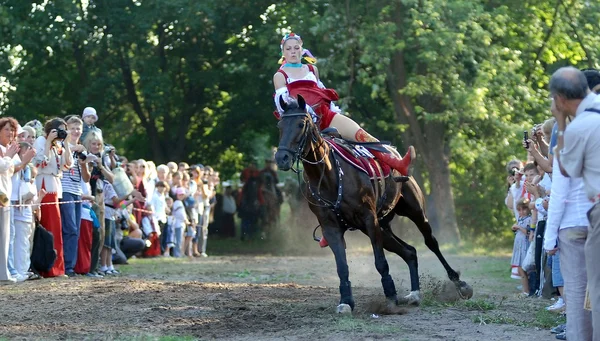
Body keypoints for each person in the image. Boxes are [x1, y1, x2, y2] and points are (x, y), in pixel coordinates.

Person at [273, 32, 415, 177]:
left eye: (296, 48)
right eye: (288, 49)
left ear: (302, 50)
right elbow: (284, 104)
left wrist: (331, 108)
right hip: (304, 124)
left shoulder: (312, 69)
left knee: (361, 135)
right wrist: (306, 111)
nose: (293, 52)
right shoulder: (280, 75)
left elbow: (320, 92)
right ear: (283, 52)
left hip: (326, 115)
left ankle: (398, 165)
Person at [551, 66, 600, 340]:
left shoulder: (579, 126)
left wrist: (560, 125)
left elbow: (566, 169)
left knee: (596, 290)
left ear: (559, 99)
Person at [33, 118, 74, 278]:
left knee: (56, 228)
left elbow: (68, 164)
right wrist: (48, 141)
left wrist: (67, 144)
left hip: (55, 186)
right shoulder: (41, 140)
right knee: (48, 227)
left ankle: (57, 267)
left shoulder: (59, 145)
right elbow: (40, 162)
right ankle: (47, 267)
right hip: (44, 186)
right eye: (60, 130)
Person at [60, 116, 92, 277]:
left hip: (77, 191)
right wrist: (73, 150)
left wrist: (84, 162)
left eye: (78, 128)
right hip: (65, 189)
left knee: (76, 230)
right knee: (70, 228)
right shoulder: (62, 145)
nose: (75, 131)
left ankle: (70, 265)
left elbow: (86, 178)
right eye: (72, 128)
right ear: (66, 130)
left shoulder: (82, 149)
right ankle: (66, 266)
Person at [0, 117, 20, 284]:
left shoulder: (7, 150)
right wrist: (7, 157)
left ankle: (4, 272)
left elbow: (10, 171)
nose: (10, 133)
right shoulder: (5, 151)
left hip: (5, 195)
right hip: (0, 195)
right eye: (6, 129)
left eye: (12, 130)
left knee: (6, 235)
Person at [511, 198, 532, 297]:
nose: (521, 212)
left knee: (523, 268)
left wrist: (519, 227)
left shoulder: (529, 219)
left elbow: (528, 233)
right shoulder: (520, 219)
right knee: (519, 269)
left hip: (524, 246)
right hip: (518, 246)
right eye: (519, 210)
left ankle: (526, 291)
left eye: (523, 209)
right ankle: (525, 289)